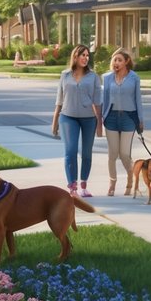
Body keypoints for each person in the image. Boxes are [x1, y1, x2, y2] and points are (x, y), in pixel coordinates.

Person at [53, 44, 104, 197]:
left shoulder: (93, 76)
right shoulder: (65, 75)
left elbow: (97, 102)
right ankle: (72, 187)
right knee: (70, 151)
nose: (86, 58)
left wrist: (99, 126)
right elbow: (59, 100)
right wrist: (55, 121)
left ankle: (83, 185)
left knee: (86, 153)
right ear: (75, 56)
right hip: (67, 117)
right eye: (83, 55)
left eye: (88, 56)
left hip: (89, 119)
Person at [101, 48, 144, 196]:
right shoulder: (107, 78)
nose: (116, 63)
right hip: (111, 118)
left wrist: (140, 119)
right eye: (114, 60)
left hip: (129, 118)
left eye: (119, 60)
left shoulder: (134, 78)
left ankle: (131, 179)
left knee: (125, 154)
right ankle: (112, 183)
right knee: (112, 154)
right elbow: (105, 100)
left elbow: (138, 99)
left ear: (126, 62)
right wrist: (102, 117)